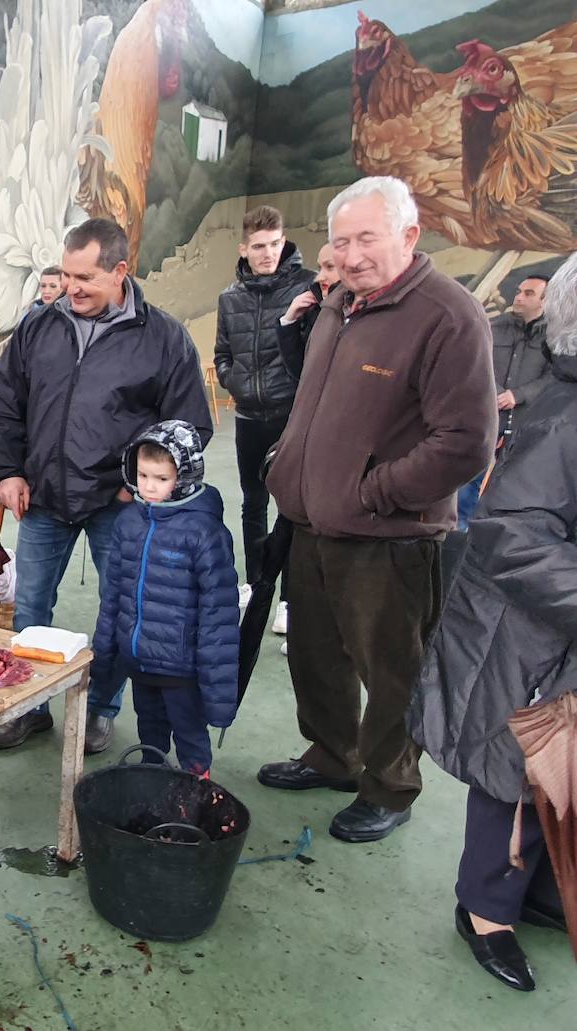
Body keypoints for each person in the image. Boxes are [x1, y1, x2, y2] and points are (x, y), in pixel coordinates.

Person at [258, 176, 496, 843]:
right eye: (341, 240)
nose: (353, 254)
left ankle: (390, 785)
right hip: (311, 523)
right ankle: (333, 755)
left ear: (409, 235)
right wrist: (289, 464)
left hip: (387, 537)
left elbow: (465, 443)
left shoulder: (448, 316)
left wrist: (374, 491)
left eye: (368, 238)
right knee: (315, 655)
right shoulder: (339, 303)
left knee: (390, 669)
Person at [408, 251, 577, 993]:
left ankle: (534, 890)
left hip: (555, 633)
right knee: (514, 775)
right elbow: (514, 535)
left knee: (560, 772)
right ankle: (486, 909)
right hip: (525, 634)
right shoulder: (566, 418)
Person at [0, 217, 213, 755]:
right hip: (42, 497)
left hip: (119, 504)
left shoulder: (163, 338)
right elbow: (4, 402)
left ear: (119, 271)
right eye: (65, 275)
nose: (72, 288)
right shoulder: (39, 327)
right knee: (32, 609)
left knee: (120, 613)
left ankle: (99, 709)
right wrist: (9, 471)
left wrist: (140, 485)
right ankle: (28, 707)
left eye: (85, 277)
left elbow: (187, 428)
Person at [90, 421, 238, 773]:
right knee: (149, 730)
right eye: (142, 476)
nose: (149, 486)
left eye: (161, 478)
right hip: (139, 661)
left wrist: (217, 690)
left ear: (183, 477)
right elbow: (112, 595)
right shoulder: (128, 523)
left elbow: (219, 614)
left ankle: (195, 790)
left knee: (189, 735)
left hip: (181, 667)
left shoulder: (204, 532)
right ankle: (152, 780)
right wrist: (106, 653)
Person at [213, 205, 314, 638]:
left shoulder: (308, 288)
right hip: (250, 416)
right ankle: (256, 585)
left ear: (284, 240)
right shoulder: (229, 298)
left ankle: (290, 599)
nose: (268, 253)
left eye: (274, 244)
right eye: (259, 246)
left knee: (292, 508)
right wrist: (232, 380)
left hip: (293, 417)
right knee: (252, 503)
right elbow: (222, 354)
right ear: (244, 248)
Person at [456, 274, 551, 528]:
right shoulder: (495, 326)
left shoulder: (554, 336)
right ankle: (458, 532)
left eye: (528, 293)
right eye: (519, 291)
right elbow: (477, 361)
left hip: (525, 421)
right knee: (468, 478)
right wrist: (495, 392)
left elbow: (553, 376)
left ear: (546, 299)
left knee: (513, 483)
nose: (518, 297)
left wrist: (517, 396)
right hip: (485, 416)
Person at [276, 242, 340, 381]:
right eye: (319, 268)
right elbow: (302, 372)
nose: (319, 277)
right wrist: (289, 322)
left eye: (330, 267)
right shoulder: (315, 309)